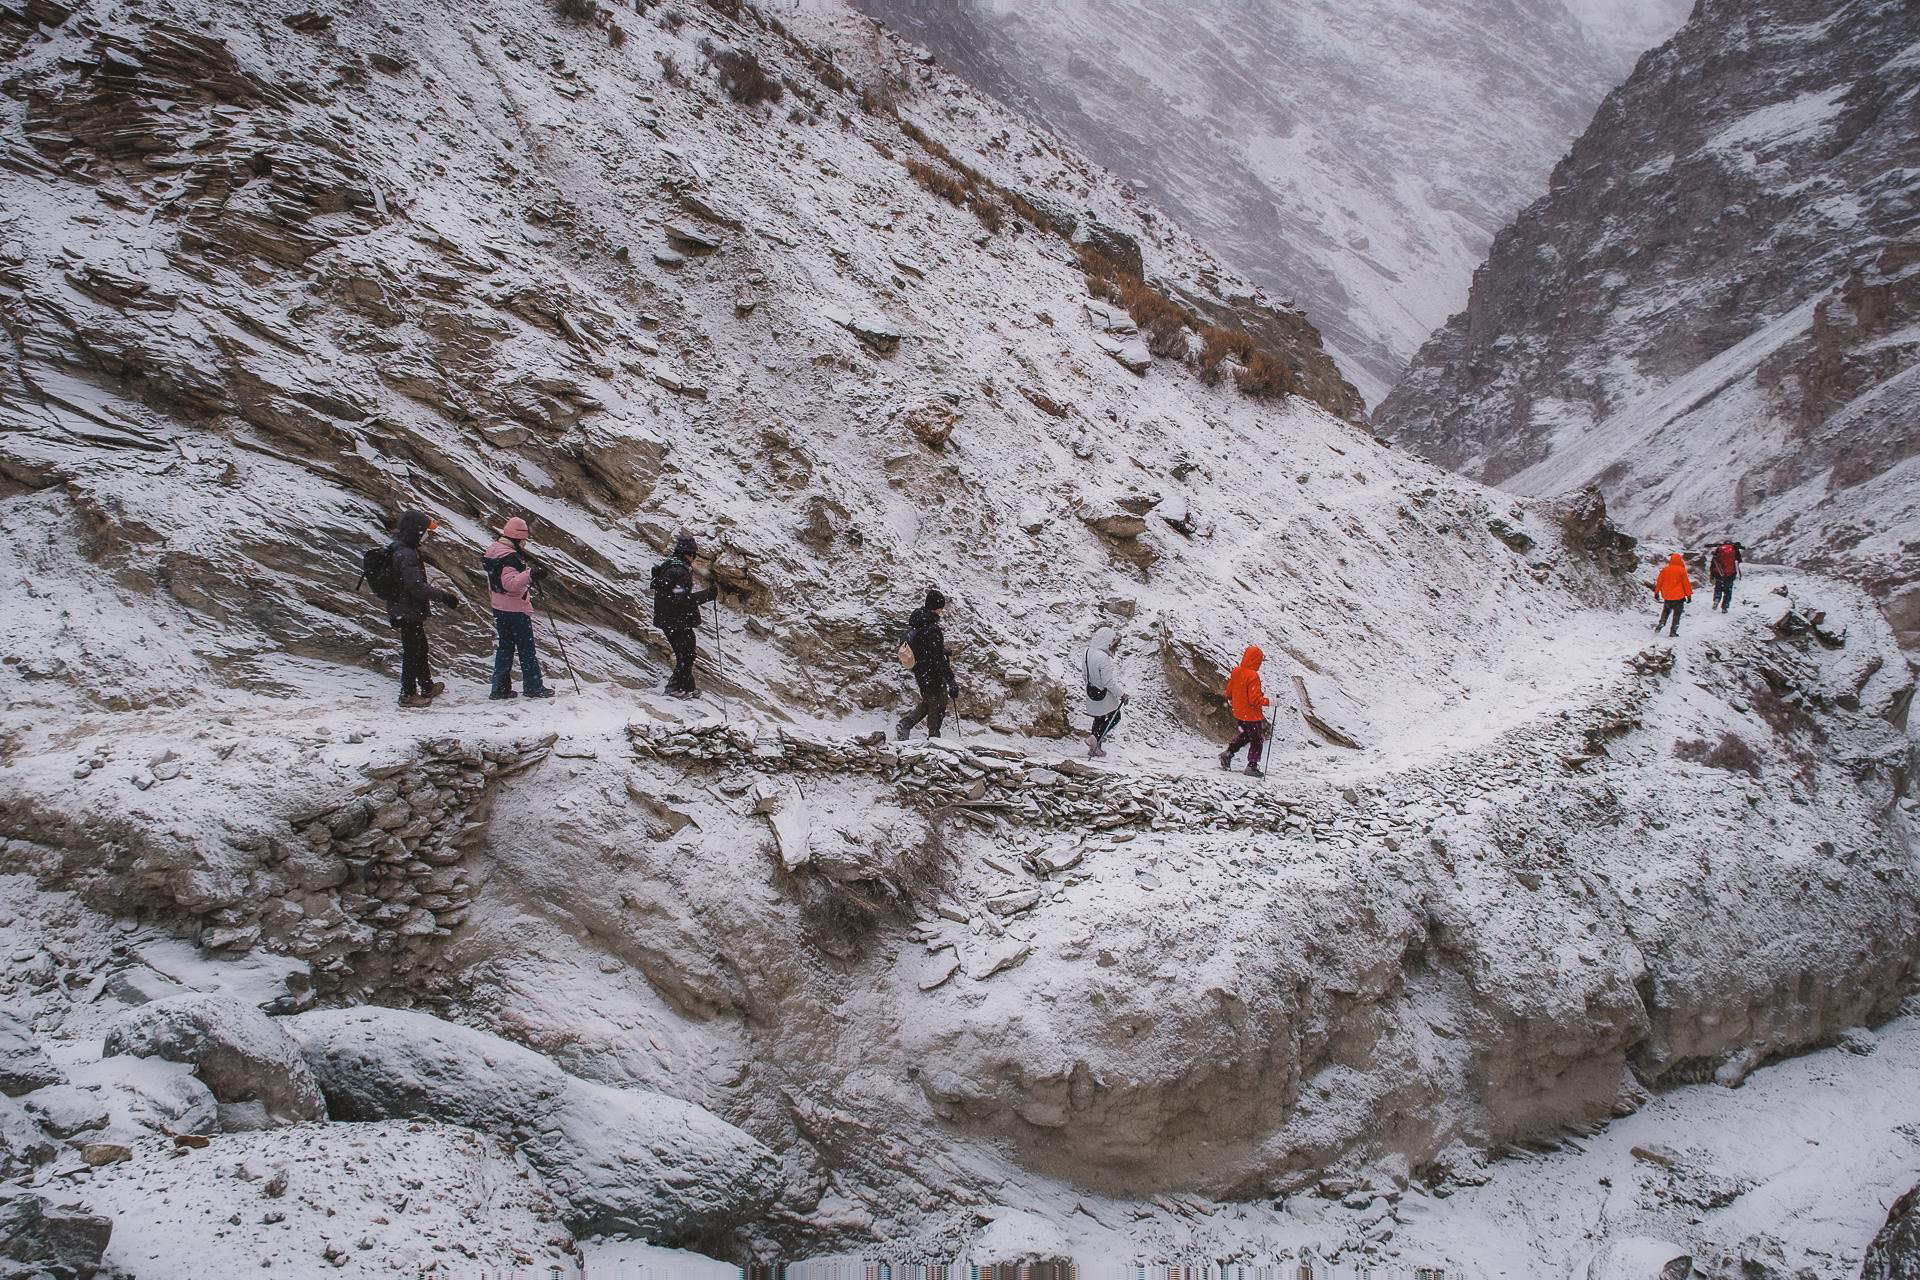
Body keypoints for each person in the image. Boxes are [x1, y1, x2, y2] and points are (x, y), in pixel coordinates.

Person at [386, 510, 461, 709]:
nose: (427, 535)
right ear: (415, 531)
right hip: (407, 610)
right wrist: (444, 597)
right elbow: (415, 586)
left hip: (405, 609)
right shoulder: (407, 554)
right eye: (425, 531)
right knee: (413, 651)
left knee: (419, 649)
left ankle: (426, 685)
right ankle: (408, 693)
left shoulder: (401, 549)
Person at [482, 516, 556, 701]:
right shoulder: (510, 557)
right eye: (524, 540)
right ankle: (533, 687)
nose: (525, 543)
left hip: (499, 606)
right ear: (518, 538)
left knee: (505, 647)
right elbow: (511, 584)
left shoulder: (493, 550)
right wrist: (531, 574)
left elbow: (497, 580)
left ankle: (499, 688)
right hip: (515, 609)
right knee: (526, 649)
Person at [651, 534, 716, 698]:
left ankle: (687, 687)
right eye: (693, 554)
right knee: (686, 654)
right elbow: (683, 599)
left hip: (667, 619)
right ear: (688, 554)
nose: (693, 558)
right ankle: (674, 688)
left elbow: (673, 594)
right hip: (676, 620)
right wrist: (708, 595)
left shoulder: (670, 566)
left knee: (684, 653)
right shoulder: (680, 571)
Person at [896, 588, 959, 740]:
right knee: (938, 703)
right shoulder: (932, 628)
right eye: (941, 608)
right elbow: (936, 657)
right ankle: (933, 737)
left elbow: (925, 647)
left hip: (920, 671)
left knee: (930, 700)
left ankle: (906, 725)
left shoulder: (917, 622)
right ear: (936, 607)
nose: (941, 611)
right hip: (932, 672)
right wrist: (951, 680)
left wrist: (941, 651)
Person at [1219, 645, 1270, 777]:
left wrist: (1237, 699)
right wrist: (1269, 702)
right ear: (1255, 660)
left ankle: (1228, 754)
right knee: (1257, 739)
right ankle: (1252, 766)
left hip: (1239, 713)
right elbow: (1254, 700)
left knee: (1246, 735)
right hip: (1251, 715)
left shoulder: (1236, 671)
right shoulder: (1253, 676)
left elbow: (1228, 692)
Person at [1081, 626, 1128, 759]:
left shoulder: (1087, 652)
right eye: (1113, 643)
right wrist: (1122, 694)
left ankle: (1096, 748)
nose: (1114, 647)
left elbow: (1085, 674)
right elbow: (1108, 682)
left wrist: (1091, 686)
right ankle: (1094, 738)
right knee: (1116, 716)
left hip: (1091, 690)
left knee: (1099, 717)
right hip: (1103, 693)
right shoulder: (1103, 657)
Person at [1654, 551, 1693, 636]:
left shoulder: (1665, 569)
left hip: (1668, 596)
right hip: (1679, 597)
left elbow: (1659, 582)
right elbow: (1686, 584)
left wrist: (1656, 592)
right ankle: (1673, 631)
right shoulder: (1682, 570)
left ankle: (1662, 622)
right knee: (1677, 615)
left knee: (1666, 611)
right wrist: (1689, 596)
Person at [1708, 540, 1743, 612]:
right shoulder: (1734, 549)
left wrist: (1712, 574)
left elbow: (1714, 562)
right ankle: (1725, 607)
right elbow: (1739, 560)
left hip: (1719, 572)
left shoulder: (1719, 549)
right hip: (1731, 574)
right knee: (1728, 590)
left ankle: (1716, 599)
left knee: (1718, 587)